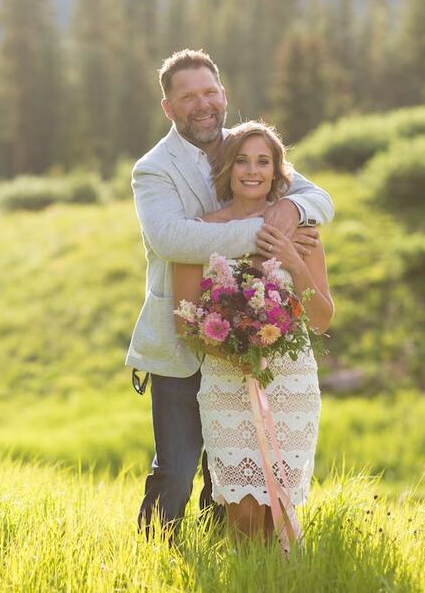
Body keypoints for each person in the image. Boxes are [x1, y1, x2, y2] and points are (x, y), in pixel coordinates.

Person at [127, 49, 334, 538]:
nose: (202, 104)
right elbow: (171, 239)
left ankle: (223, 558)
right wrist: (265, 231)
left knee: (232, 474)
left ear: (223, 95)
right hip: (181, 340)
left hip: (252, 346)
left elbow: (318, 199)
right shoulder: (153, 169)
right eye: (188, 96)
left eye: (210, 93)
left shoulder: (245, 147)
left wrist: (293, 212)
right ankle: (154, 554)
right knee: (176, 470)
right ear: (169, 107)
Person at [172, 121, 334, 543]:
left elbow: (321, 318)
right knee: (242, 511)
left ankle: (279, 580)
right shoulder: (198, 232)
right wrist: (239, 353)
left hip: (290, 383)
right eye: (242, 160)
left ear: (278, 171)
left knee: (277, 508)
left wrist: (292, 261)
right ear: (227, 168)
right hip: (228, 381)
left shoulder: (301, 233)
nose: (252, 170)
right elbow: (183, 321)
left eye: (264, 161)